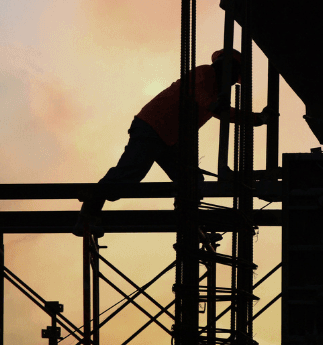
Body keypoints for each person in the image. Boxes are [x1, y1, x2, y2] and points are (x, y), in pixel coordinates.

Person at [76, 49, 269, 234]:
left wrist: (257, 119)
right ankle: (88, 214)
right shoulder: (205, 72)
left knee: (191, 180)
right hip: (151, 127)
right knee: (129, 174)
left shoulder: (216, 93)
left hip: (168, 139)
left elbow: (225, 113)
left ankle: (185, 215)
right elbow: (199, 94)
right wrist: (215, 106)